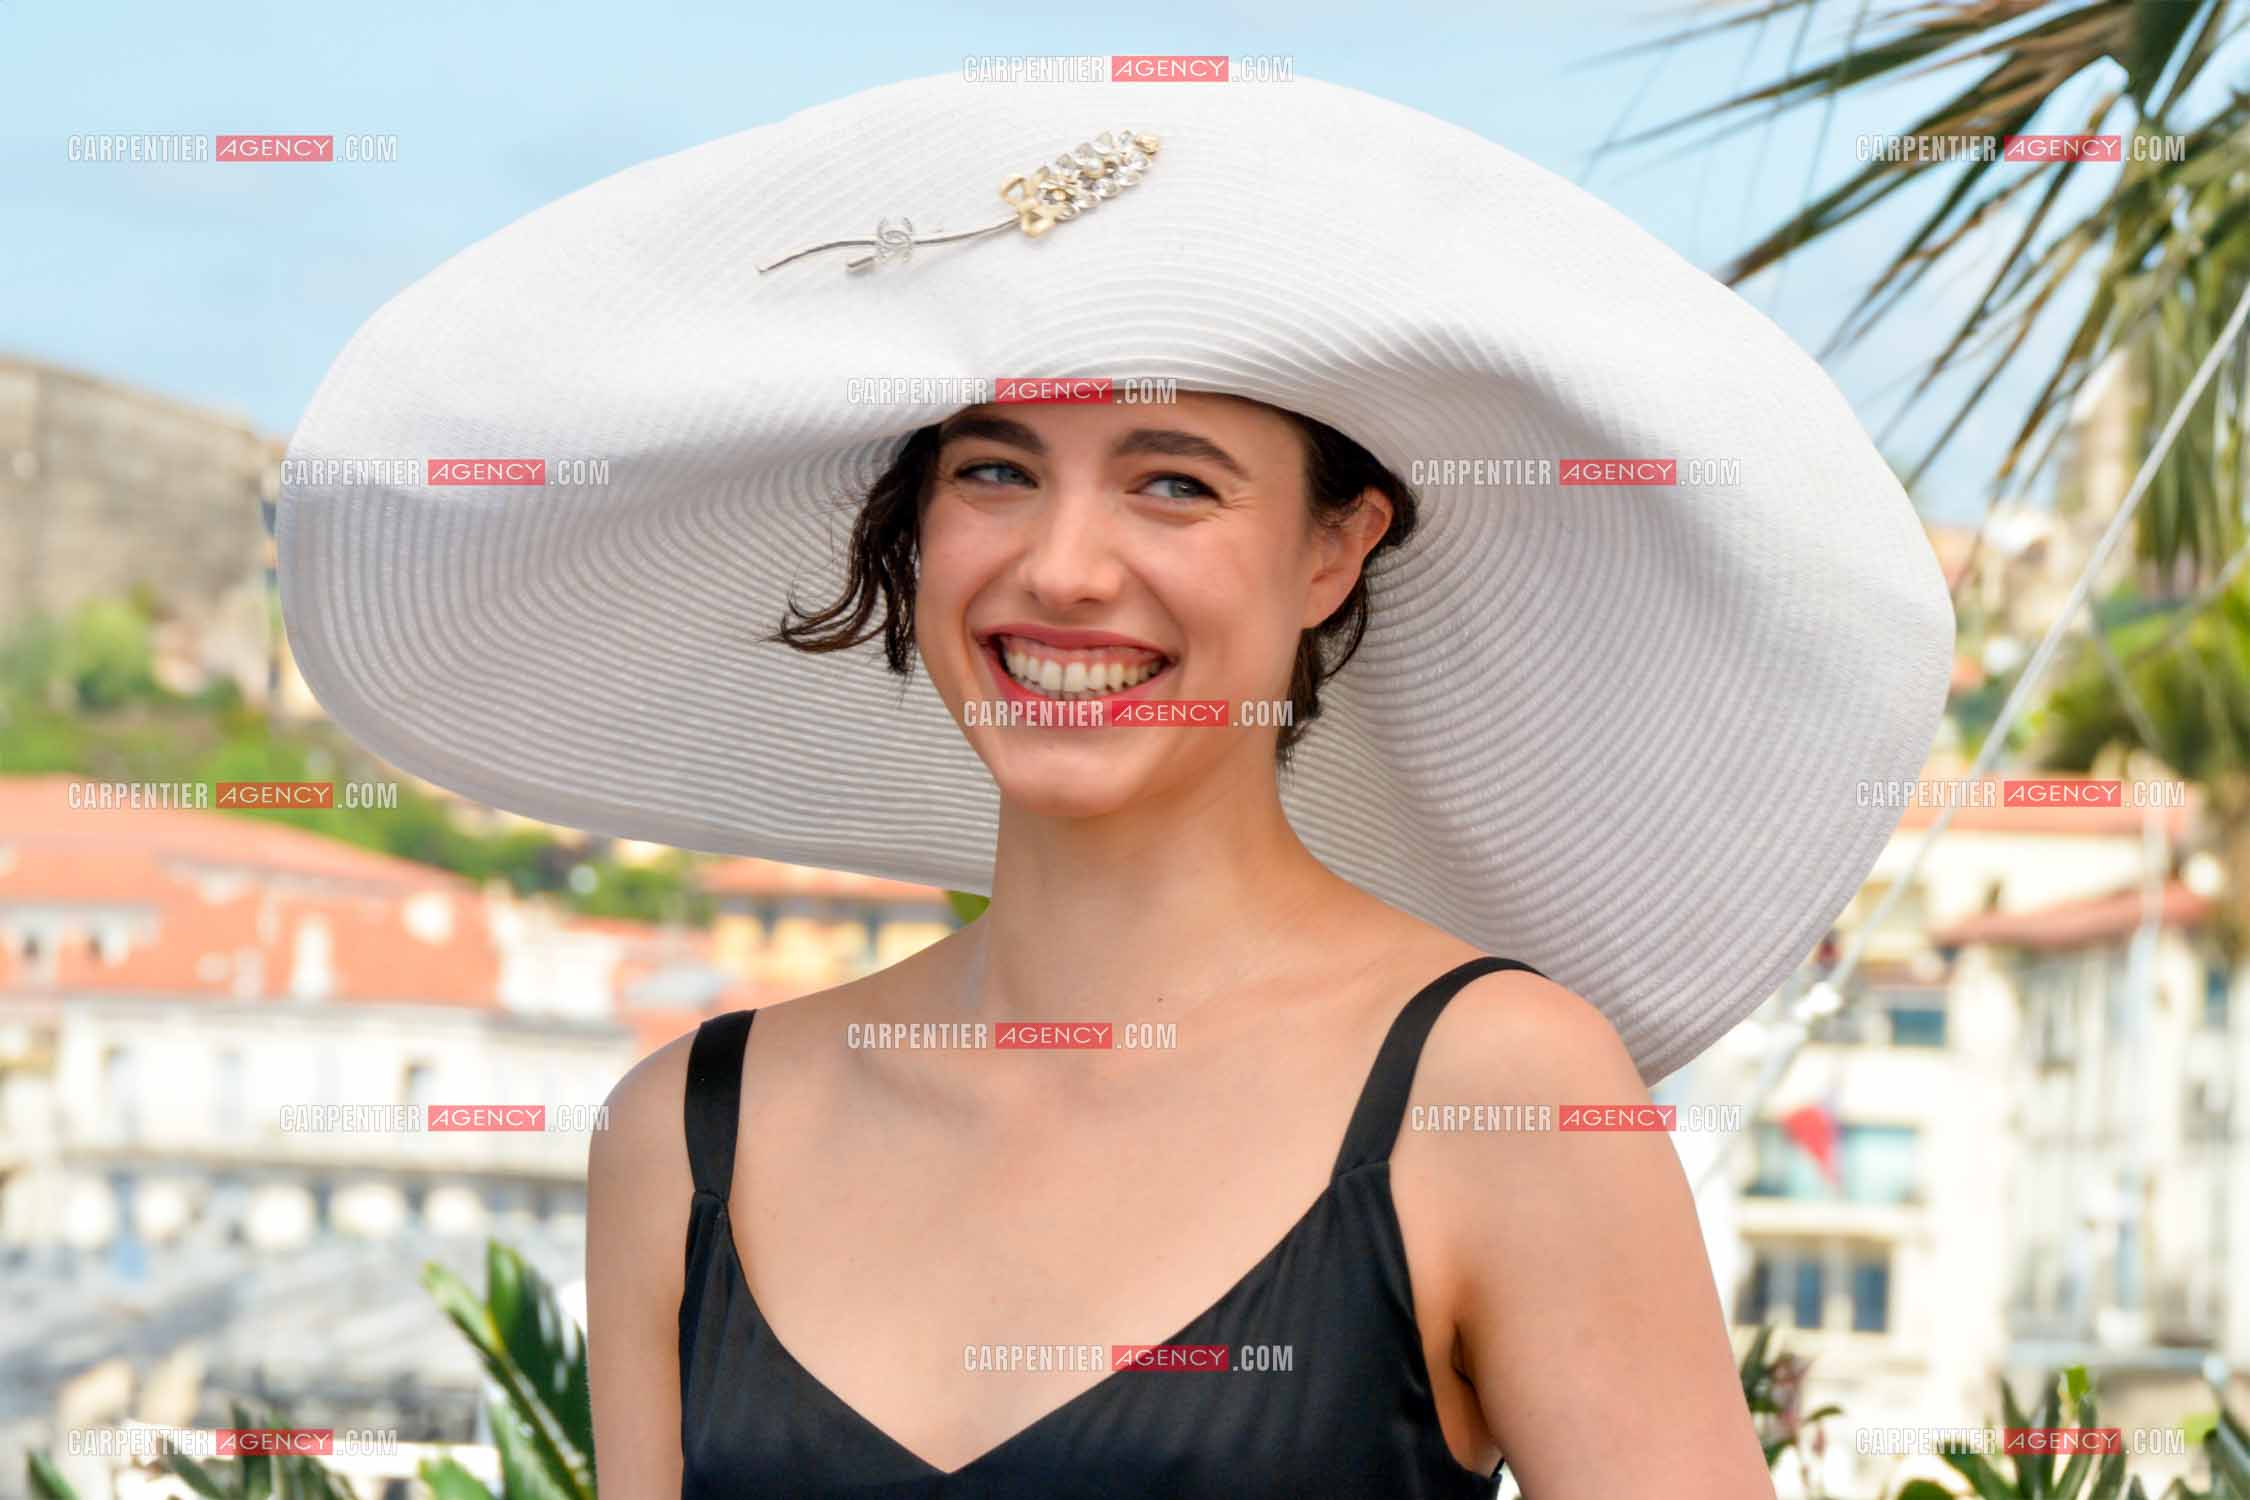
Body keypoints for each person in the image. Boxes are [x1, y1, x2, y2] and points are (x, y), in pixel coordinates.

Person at [275, 71, 1953, 1499]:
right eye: (995, 471)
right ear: (917, 536)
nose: (1063, 567)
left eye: (1174, 483)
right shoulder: (687, 1131)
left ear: (1331, 549)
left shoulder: (1493, 1088)